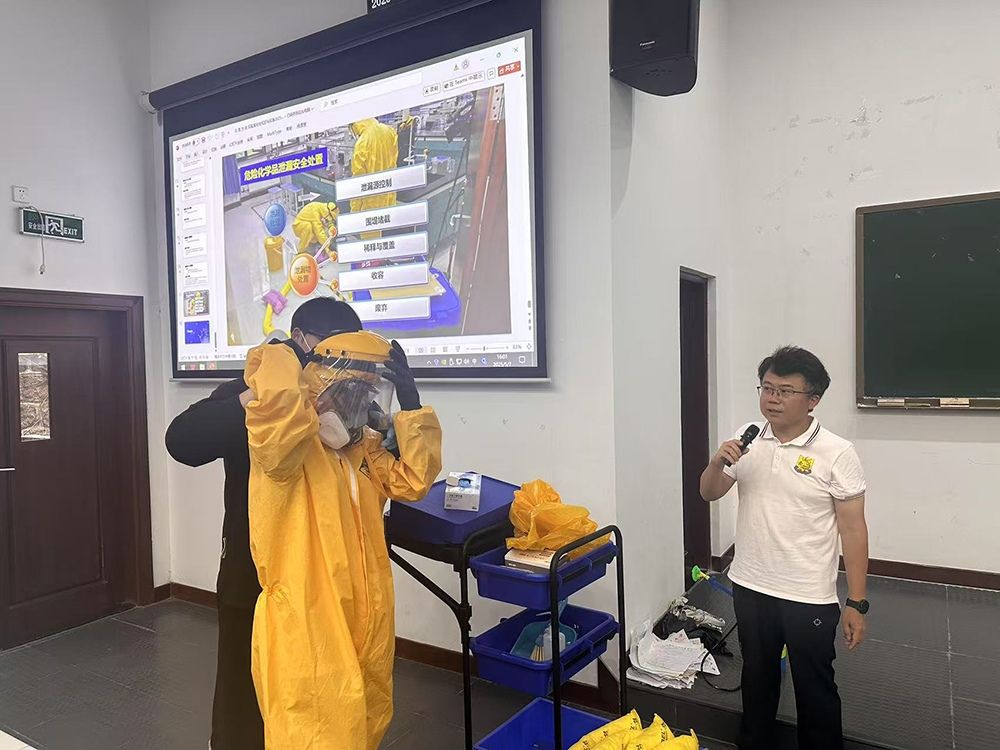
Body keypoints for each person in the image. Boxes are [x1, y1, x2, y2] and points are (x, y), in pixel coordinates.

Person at [165, 297, 366, 750]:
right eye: (327, 350)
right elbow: (182, 440)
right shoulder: (251, 391)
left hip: (323, 575)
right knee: (245, 694)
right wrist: (264, 391)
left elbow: (379, 460)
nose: (336, 366)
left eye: (345, 355)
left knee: (318, 689)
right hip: (255, 575)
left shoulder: (345, 401)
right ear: (299, 341)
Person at [242, 327, 441, 749]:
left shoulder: (362, 451)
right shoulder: (286, 454)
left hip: (367, 610)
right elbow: (278, 422)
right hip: (308, 619)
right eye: (351, 394)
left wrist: (411, 407)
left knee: (365, 719)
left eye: (368, 396)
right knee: (314, 732)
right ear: (319, 387)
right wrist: (284, 358)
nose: (361, 407)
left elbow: (413, 481)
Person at [699, 346, 869, 750]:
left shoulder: (837, 452)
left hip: (808, 594)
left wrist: (857, 602)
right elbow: (709, 493)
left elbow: (853, 530)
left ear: (813, 400)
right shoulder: (748, 437)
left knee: (815, 687)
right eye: (767, 388)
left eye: (785, 391)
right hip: (750, 583)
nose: (772, 399)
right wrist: (717, 462)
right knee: (757, 676)